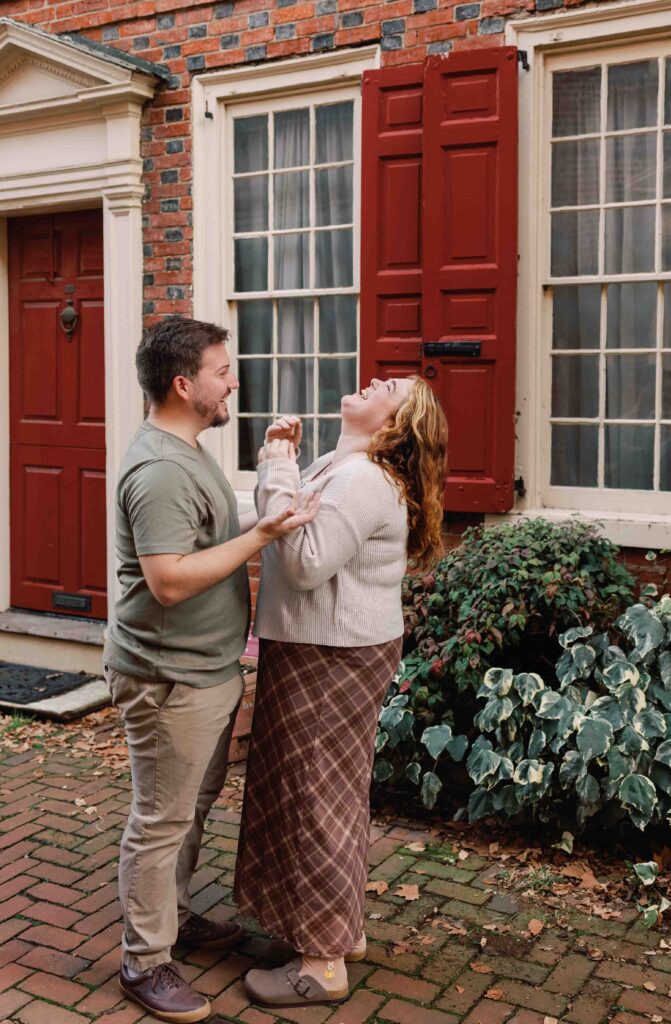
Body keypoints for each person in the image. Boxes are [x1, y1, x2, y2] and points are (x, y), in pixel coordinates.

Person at [103, 316, 319, 1023]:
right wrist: (261, 537)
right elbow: (167, 581)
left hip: (204, 670)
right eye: (224, 371)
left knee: (189, 810)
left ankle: (171, 917)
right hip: (168, 679)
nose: (235, 381)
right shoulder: (162, 468)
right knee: (162, 819)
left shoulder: (185, 447)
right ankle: (145, 960)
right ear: (183, 383)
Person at [234, 375, 448, 1009]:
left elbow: (302, 563)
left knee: (315, 796)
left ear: (394, 426)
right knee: (330, 792)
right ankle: (337, 930)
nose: (375, 378)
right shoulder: (344, 464)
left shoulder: (363, 481)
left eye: (392, 387)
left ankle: (322, 966)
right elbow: (278, 518)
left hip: (329, 653)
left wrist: (275, 462)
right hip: (329, 647)